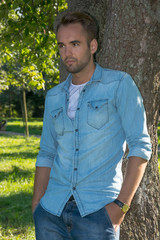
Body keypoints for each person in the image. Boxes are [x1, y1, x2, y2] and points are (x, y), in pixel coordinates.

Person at [32, 11, 152, 240]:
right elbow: (47, 152)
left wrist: (120, 208)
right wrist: (37, 205)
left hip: (98, 214)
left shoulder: (119, 85)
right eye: (62, 45)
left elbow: (140, 146)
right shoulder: (54, 97)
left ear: (93, 45)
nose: (67, 53)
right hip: (51, 213)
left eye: (75, 44)